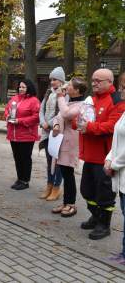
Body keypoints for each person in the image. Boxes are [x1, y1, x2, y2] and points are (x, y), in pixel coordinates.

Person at [78, 68, 125, 240]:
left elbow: (111, 126)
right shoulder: (91, 99)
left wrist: (88, 127)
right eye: (93, 80)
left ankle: (104, 225)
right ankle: (96, 216)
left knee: (104, 194)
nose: (94, 83)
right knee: (86, 190)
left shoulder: (117, 100)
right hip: (90, 154)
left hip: (105, 157)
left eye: (98, 80)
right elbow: (83, 120)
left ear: (109, 82)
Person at [51, 77, 87, 217]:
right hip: (61, 142)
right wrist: (55, 125)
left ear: (77, 90)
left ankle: (71, 203)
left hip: (70, 144)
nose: (67, 87)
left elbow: (66, 114)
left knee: (68, 174)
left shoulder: (81, 105)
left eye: (70, 85)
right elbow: (58, 116)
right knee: (65, 173)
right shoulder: (68, 102)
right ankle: (66, 202)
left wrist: (60, 96)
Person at [4, 79, 40, 190]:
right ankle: (19, 178)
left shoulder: (34, 101)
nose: (21, 89)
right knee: (17, 157)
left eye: (23, 87)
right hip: (13, 134)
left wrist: (20, 121)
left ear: (29, 88)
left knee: (25, 158)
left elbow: (36, 117)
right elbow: (7, 109)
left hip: (26, 136)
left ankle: (25, 181)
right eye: (20, 87)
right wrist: (8, 116)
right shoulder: (14, 99)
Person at [105, 72, 125, 263]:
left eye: (123, 87)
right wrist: (109, 158)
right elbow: (117, 140)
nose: (120, 90)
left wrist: (114, 163)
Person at [39, 66, 66, 201]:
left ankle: (56, 187)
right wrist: (43, 122)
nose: (52, 82)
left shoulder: (64, 93)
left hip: (57, 132)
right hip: (46, 131)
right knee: (49, 161)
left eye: (55, 79)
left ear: (61, 80)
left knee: (58, 161)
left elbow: (61, 113)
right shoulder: (49, 92)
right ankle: (49, 185)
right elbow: (41, 109)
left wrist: (48, 123)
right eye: (51, 79)